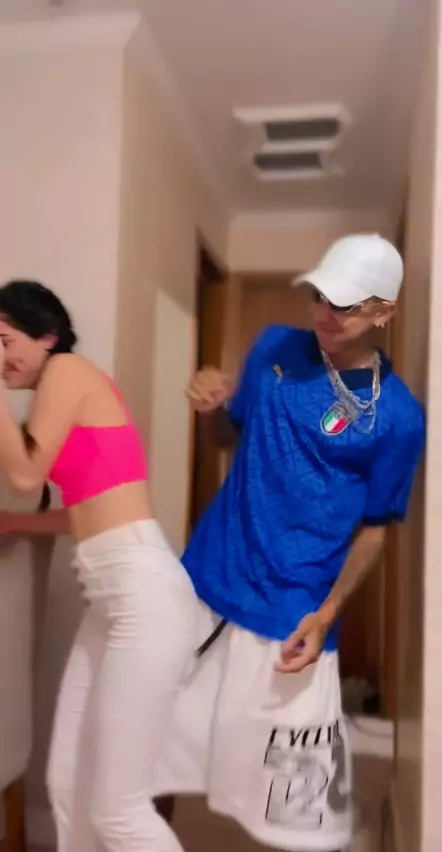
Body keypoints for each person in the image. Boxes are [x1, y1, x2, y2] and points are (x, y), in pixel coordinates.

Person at [152, 234, 426, 852]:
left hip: (296, 613)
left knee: (301, 808)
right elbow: (227, 439)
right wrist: (212, 406)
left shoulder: (400, 416)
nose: (325, 313)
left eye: (345, 304)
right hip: (209, 581)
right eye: (319, 295)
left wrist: (328, 612)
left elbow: (377, 527)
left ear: (384, 311)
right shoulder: (274, 346)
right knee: (158, 751)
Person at [0, 280, 198, 852]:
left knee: (118, 809)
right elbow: (81, 513)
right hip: (113, 598)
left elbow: (24, 475)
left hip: (143, 593)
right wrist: (11, 525)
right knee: (68, 786)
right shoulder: (61, 390)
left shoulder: (67, 371)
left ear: (47, 337)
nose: (2, 356)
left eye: (5, 341)